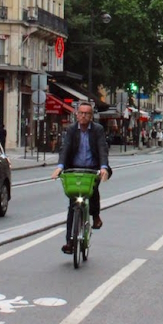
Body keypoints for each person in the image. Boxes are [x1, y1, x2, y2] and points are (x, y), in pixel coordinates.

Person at [51, 102, 110, 255]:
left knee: (93, 189)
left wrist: (103, 167)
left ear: (91, 116)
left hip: (92, 168)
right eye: (81, 113)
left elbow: (102, 148)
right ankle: (70, 242)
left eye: (87, 113)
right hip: (74, 168)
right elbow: (66, 147)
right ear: (76, 114)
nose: (83, 116)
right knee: (73, 205)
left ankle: (95, 215)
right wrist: (60, 166)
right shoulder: (71, 130)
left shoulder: (97, 130)